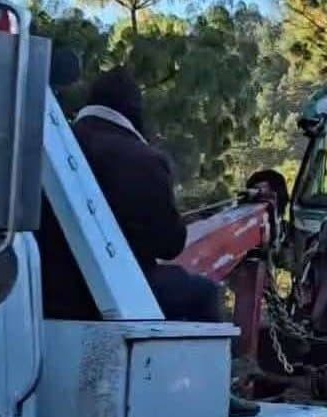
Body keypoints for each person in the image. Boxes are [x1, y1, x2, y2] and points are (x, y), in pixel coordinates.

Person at [38, 67, 221, 322]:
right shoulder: (143, 159)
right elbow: (170, 245)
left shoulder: (52, 145)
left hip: (42, 295)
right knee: (204, 293)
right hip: (109, 300)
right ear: (134, 111)